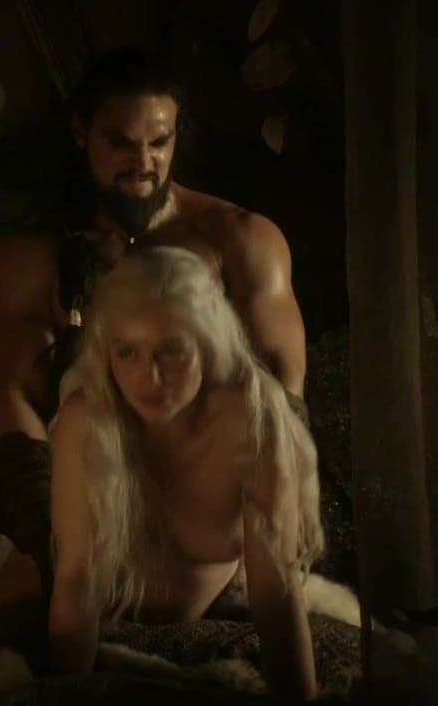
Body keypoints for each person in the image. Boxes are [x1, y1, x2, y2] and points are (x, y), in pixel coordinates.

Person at [0, 46, 308, 650]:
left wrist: (258, 514)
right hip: (92, 506)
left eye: (159, 142)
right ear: (81, 133)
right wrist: (55, 529)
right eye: (120, 142)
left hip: (215, 510)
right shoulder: (36, 261)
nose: (142, 163)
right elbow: (14, 399)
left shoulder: (240, 240)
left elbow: (283, 392)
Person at [48, 246, 323, 698]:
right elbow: (75, 579)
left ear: (208, 343)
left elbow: (275, 594)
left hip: (216, 614)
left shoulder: (252, 421)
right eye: (127, 353)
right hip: (108, 622)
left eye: (171, 350)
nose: (149, 379)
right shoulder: (87, 421)